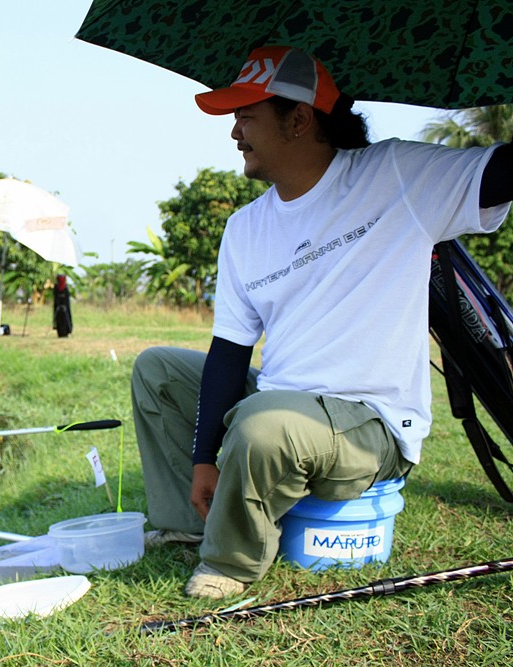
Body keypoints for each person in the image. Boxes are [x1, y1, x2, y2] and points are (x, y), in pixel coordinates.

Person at [131, 45, 512, 599]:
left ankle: (230, 564)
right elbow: (230, 352)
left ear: (299, 120)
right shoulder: (245, 229)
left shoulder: (396, 176)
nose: (235, 133)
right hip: (283, 403)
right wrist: (202, 458)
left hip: (369, 422)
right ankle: (190, 526)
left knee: (263, 424)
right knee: (158, 371)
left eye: (246, 116)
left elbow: (502, 172)